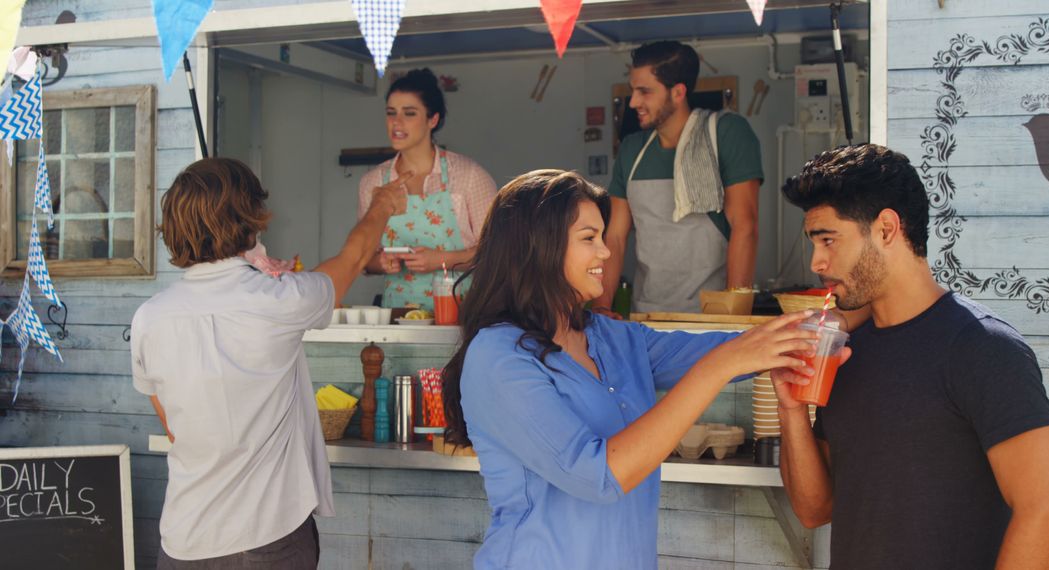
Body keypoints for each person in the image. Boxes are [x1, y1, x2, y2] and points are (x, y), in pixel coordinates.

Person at [441, 169, 819, 569]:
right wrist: (720, 369)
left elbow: (728, 351)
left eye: (603, 237)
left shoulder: (611, 338)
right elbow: (596, 475)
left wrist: (835, 322)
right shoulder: (498, 357)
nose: (605, 253)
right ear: (537, 247)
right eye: (589, 239)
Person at [772, 144, 1049, 569]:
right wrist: (789, 407)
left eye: (828, 240)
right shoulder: (845, 351)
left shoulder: (982, 347)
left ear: (886, 229)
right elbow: (814, 509)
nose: (817, 261)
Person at [130, 158, 406, 568]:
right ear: (251, 221)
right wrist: (382, 204)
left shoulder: (149, 317)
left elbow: (172, 425)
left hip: (184, 539)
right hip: (268, 540)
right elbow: (351, 261)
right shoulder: (281, 300)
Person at [595, 41, 764, 315]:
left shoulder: (726, 134)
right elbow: (614, 238)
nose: (634, 102)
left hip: (711, 317)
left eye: (644, 92)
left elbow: (745, 226)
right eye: (632, 91)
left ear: (678, 92)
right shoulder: (631, 149)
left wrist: (733, 318)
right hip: (646, 315)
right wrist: (601, 308)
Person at [357, 68, 498, 309]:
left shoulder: (468, 175)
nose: (396, 123)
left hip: (463, 316)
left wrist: (441, 260)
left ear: (432, 119)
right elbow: (362, 257)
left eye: (409, 113)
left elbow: (497, 252)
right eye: (391, 113)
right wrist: (380, 263)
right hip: (399, 316)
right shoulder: (374, 182)